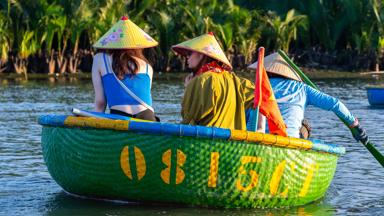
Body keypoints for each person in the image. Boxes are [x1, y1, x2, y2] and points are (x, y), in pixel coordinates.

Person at [248, 52, 369, 143]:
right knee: (304, 127)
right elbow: (335, 104)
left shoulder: (255, 88)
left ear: (266, 73)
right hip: (288, 141)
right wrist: (355, 125)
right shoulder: (302, 88)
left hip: (256, 140)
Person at [171, 32, 255, 130]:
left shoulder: (200, 81)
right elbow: (260, 97)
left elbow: (188, 119)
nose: (187, 57)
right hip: (231, 143)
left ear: (202, 54)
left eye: (189, 53)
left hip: (204, 143)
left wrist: (189, 88)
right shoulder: (237, 81)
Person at [91, 16, 158, 121]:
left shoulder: (100, 59)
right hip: (148, 117)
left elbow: (100, 102)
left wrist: (95, 128)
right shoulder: (147, 67)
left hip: (119, 117)